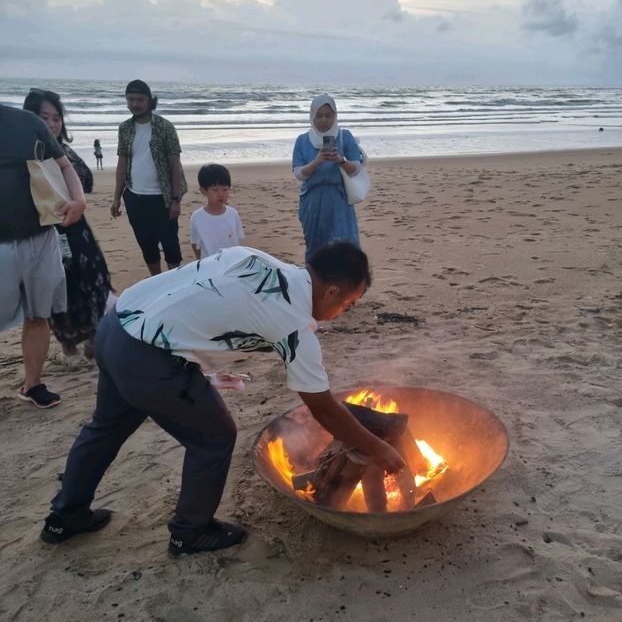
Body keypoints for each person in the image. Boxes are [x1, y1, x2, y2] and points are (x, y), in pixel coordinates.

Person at [40, 242, 405, 555]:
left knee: (106, 426)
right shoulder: (294, 325)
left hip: (117, 325)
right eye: (348, 304)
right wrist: (378, 448)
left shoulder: (252, 257)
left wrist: (207, 360)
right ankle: (190, 532)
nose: (341, 314)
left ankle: (64, 517)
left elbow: (201, 298)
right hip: (149, 357)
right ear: (331, 292)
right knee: (214, 436)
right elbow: (323, 407)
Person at [0, 103, 86, 408]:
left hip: (40, 236)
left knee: (38, 315)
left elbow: (63, 165)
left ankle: (32, 385)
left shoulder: (25, 122)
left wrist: (78, 199)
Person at [23, 89, 112, 366]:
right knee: (61, 289)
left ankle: (94, 340)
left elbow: (85, 181)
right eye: (44, 117)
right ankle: (69, 349)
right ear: (30, 119)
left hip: (78, 231)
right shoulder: (22, 154)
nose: (51, 123)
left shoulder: (62, 150)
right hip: (46, 234)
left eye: (56, 117)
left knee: (95, 280)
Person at [111, 79, 187, 276]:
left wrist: (175, 199)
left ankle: (176, 284)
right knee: (147, 247)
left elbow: (175, 165)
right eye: (130, 99)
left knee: (171, 247)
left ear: (149, 101)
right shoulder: (125, 128)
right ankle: (157, 283)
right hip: (135, 197)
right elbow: (122, 164)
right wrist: (116, 197)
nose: (134, 104)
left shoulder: (165, 127)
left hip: (162, 198)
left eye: (140, 99)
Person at [292, 94, 363, 261]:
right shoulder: (302, 141)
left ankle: (347, 285)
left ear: (335, 116)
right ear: (312, 116)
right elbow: (299, 174)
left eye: (328, 115)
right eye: (319, 115)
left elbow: (356, 169)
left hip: (339, 200)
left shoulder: (345, 137)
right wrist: (317, 161)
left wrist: (341, 160)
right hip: (313, 201)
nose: (324, 120)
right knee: (316, 249)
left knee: (345, 248)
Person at [190, 163, 245, 259]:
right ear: (203, 191)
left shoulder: (233, 214)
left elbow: (236, 242)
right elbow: (195, 244)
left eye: (225, 189)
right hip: (209, 264)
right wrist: (200, 261)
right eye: (215, 190)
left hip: (231, 262)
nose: (221, 194)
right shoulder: (197, 217)